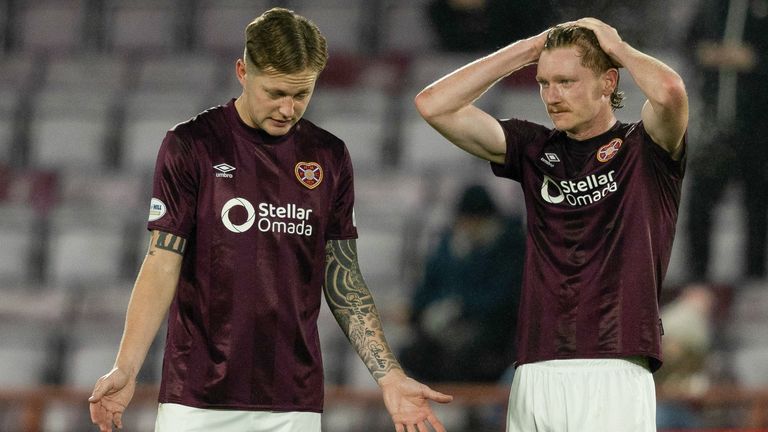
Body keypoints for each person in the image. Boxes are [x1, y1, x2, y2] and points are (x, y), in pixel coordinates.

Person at [88, 8, 452, 432]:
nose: (287, 108)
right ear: (242, 71)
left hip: (293, 403)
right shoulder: (191, 145)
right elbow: (161, 262)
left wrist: (389, 376)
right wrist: (126, 368)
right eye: (275, 92)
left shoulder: (328, 156)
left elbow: (342, 275)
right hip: (196, 400)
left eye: (301, 94)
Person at [415, 17, 688, 431]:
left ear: (608, 81)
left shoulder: (643, 147)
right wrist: (526, 49)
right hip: (535, 365)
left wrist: (618, 47)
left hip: (615, 365)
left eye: (566, 81)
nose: (552, 96)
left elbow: (670, 92)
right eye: (544, 83)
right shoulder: (533, 148)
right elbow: (433, 104)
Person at [400, 184, 524, 383]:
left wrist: (461, 307)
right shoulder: (449, 244)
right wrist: (425, 311)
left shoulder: (510, 245)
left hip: (491, 337)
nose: (469, 227)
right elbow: (426, 288)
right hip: (446, 334)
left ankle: (473, 409)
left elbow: (505, 298)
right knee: (412, 354)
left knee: (473, 356)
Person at [685, 0, 768, 281]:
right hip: (715, 127)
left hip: (759, 128)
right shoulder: (712, 6)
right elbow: (690, 42)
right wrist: (703, 54)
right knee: (700, 204)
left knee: (757, 206)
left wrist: (755, 59)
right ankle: (697, 280)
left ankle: (755, 280)